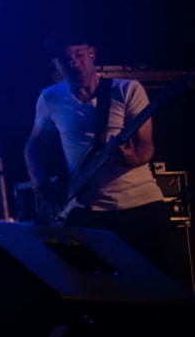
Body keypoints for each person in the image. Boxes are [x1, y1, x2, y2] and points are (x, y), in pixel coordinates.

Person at [23, 28, 174, 278]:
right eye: (66, 60)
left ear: (92, 53)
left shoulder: (127, 90)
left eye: (79, 55)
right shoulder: (50, 98)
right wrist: (38, 179)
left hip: (141, 206)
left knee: (159, 285)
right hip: (88, 213)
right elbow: (34, 144)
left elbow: (146, 146)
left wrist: (134, 159)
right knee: (98, 290)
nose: (74, 64)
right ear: (56, 65)